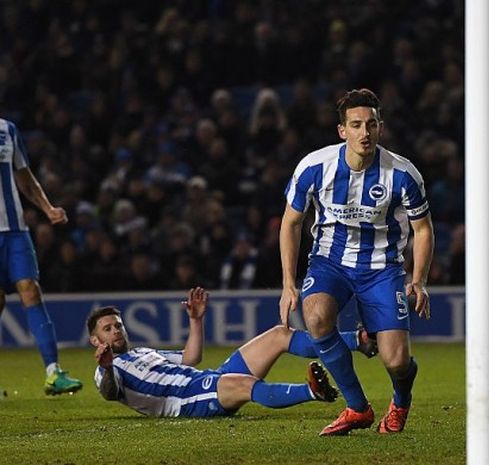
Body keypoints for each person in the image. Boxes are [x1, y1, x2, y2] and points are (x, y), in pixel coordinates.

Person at [279, 88, 434, 436]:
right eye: (356, 125)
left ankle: (400, 400)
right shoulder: (315, 167)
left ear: (381, 127)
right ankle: (357, 408)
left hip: (382, 267)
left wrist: (418, 279)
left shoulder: (403, 174)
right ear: (342, 131)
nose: (364, 132)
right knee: (315, 316)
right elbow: (291, 222)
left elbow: (423, 230)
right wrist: (289, 282)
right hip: (329, 262)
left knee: (396, 360)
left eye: (371, 124)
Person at [87, 287, 378, 417]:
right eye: (107, 329)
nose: (115, 331)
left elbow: (190, 359)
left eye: (118, 326)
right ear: (95, 339)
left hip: (206, 379)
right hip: (187, 401)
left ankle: (359, 340)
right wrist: (109, 366)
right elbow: (111, 393)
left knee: (278, 334)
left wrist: (196, 320)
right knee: (245, 385)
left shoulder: (145, 353)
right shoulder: (106, 371)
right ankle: (313, 392)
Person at [0, 118, 82, 395]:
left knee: (31, 291)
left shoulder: (7, 129)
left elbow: (23, 175)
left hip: (15, 230)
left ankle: (53, 372)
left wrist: (47, 208)